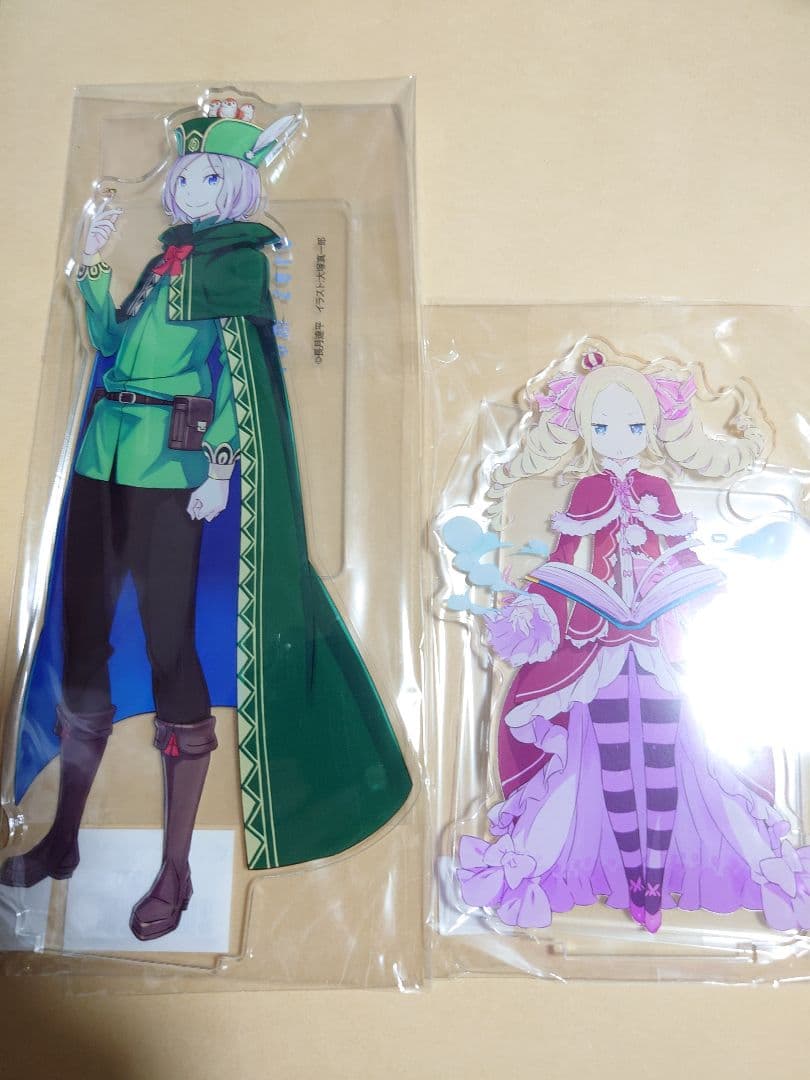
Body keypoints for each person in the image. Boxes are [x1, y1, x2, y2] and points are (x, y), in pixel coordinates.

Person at [1, 102, 413, 941]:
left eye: (206, 176)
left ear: (238, 187)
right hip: (102, 460)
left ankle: (176, 870)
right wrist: (90, 267)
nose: (187, 187)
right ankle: (65, 837)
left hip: (173, 472)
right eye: (183, 175)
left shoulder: (232, 266)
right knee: (82, 639)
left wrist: (222, 467)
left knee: (169, 649)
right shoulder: (165, 262)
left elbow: (239, 377)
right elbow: (109, 344)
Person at [456, 345, 810, 934]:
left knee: (679, 757)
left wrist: (717, 606)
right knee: (598, 762)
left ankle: (664, 878)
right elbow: (564, 556)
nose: (618, 438)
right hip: (597, 639)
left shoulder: (658, 487)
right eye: (601, 427)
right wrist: (538, 610)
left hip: (662, 637)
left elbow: (682, 553)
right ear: (584, 430)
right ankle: (621, 876)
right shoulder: (585, 491)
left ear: (652, 428)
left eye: (633, 425)